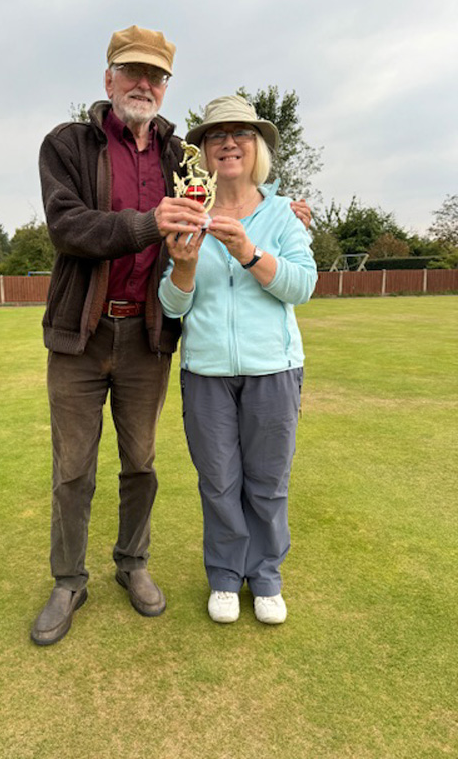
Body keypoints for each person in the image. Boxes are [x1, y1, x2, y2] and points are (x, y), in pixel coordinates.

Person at [31, 28, 311, 646]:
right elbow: (68, 226)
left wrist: (282, 209)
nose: (143, 84)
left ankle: (132, 566)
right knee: (73, 467)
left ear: (165, 87)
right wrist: (145, 224)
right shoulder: (68, 144)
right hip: (81, 333)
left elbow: (229, 186)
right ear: (108, 79)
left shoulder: (178, 155)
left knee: (142, 463)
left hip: (148, 336)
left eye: (156, 76)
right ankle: (68, 580)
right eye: (131, 71)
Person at [158, 95, 317, 626]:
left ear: (257, 148)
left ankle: (266, 575)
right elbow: (172, 304)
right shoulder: (188, 212)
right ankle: (226, 576)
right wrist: (182, 269)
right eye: (217, 134)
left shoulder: (281, 213)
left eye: (242, 133)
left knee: (268, 480)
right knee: (219, 481)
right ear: (203, 150)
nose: (229, 142)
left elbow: (302, 286)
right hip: (206, 373)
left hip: (273, 369)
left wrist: (250, 252)